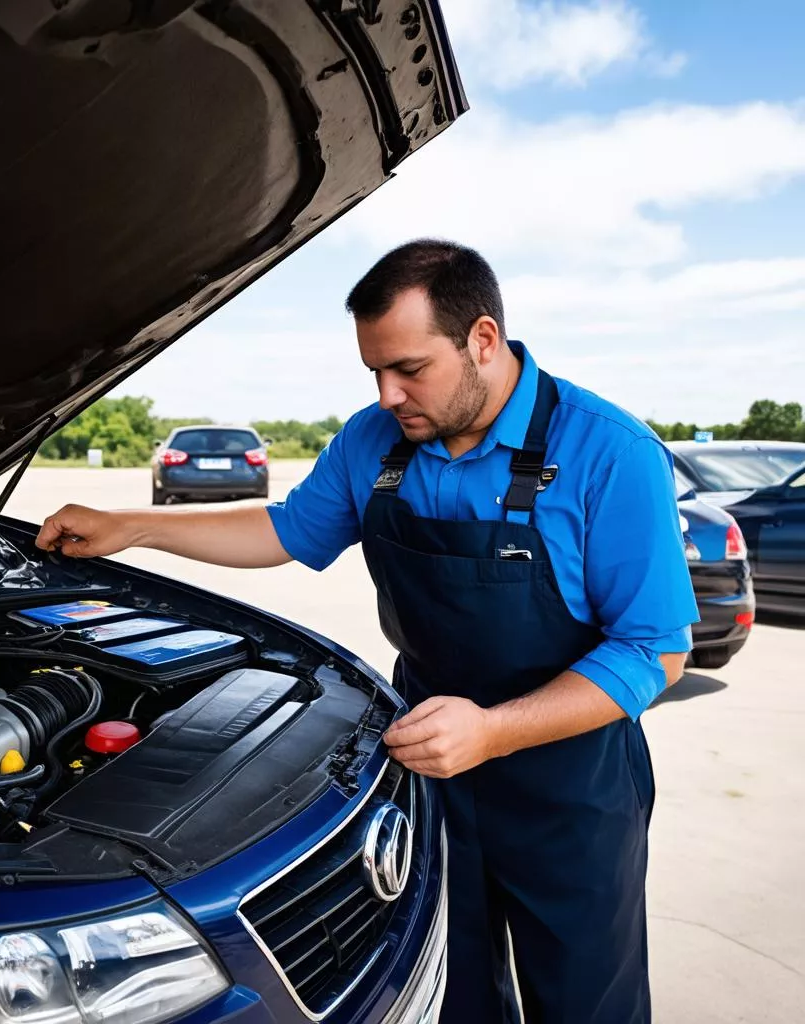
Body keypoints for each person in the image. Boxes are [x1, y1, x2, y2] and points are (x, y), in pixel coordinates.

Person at [36, 240, 698, 1024]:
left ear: (482, 340)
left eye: (409, 369)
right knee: (450, 991)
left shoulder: (607, 453)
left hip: (570, 789)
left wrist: (492, 730)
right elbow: (286, 530)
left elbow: (656, 648)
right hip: (426, 768)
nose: (388, 394)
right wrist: (130, 526)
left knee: (587, 1002)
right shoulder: (372, 442)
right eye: (374, 373)